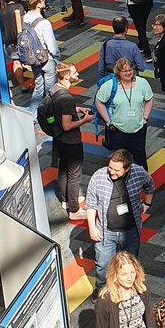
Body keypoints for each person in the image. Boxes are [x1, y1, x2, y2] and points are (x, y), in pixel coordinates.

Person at [85, 148, 155, 285]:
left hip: (131, 231)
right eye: (110, 167)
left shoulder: (138, 172)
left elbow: (149, 185)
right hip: (105, 232)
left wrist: (147, 204)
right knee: (103, 267)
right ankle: (101, 291)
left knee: (130, 265)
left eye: (116, 170)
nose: (111, 171)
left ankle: (131, 289)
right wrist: (92, 228)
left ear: (127, 168)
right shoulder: (98, 177)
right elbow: (91, 204)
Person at [44, 62, 93, 221]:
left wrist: (77, 109)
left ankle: (65, 199)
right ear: (66, 76)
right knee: (74, 175)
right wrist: (84, 120)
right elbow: (67, 125)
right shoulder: (67, 98)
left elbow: (60, 111)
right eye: (74, 72)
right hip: (70, 141)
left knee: (64, 169)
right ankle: (74, 209)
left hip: (59, 139)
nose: (77, 74)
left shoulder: (54, 89)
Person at [95, 56, 153, 170]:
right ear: (118, 72)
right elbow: (99, 101)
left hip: (139, 127)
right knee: (120, 157)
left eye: (130, 70)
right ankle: (121, 181)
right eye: (124, 71)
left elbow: (149, 99)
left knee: (139, 154)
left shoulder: (142, 83)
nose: (128, 73)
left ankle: (142, 180)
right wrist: (108, 121)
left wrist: (145, 118)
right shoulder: (110, 85)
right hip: (117, 129)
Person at [23, 0, 60, 113]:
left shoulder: (25, 18)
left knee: (39, 87)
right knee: (50, 90)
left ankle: (32, 114)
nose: (44, 0)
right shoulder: (44, 23)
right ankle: (50, 114)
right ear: (38, 4)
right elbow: (52, 46)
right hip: (47, 59)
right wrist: (57, 58)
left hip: (33, 58)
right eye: (42, 0)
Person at [0, 0, 24, 86]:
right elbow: (22, 24)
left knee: (16, 62)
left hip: (8, 40)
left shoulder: (1, 9)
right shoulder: (19, 7)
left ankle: (22, 85)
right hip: (20, 39)